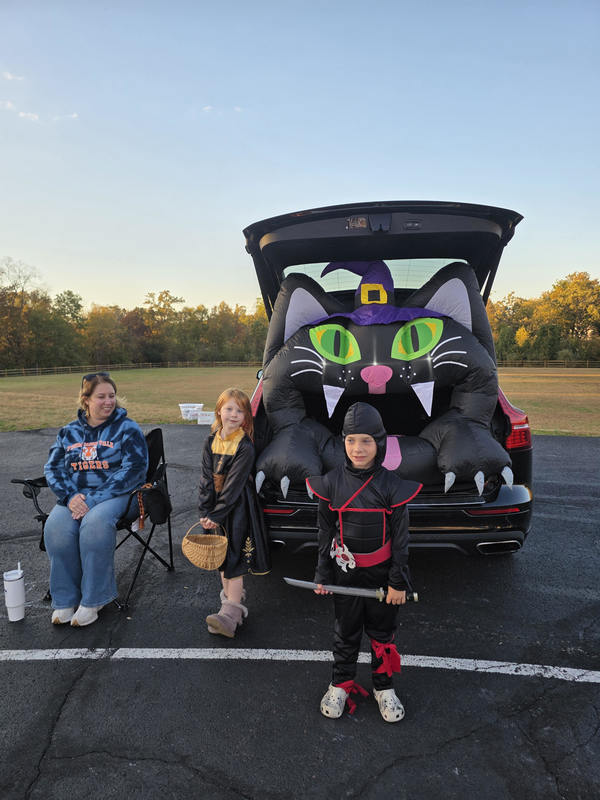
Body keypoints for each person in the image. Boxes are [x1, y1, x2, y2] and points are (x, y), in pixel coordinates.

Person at [307, 402, 422, 722]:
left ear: (380, 443)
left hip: (384, 576)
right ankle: (341, 683)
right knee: (345, 633)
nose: (358, 448)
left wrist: (398, 582)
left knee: (383, 633)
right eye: (351, 440)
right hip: (345, 576)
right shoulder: (331, 483)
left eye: (367, 441)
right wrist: (322, 572)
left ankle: (383, 687)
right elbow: (325, 531)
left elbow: (401, 540)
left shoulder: (391, 485)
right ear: (343, 442)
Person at [43, 372, 148, 627]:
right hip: (75, 497)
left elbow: (134, 470)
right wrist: (70, 497)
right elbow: (53, 468)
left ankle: (95, 599)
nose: (108, 401)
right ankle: (66, 598)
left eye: (111, 396)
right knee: (56, 528)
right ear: (86, 399)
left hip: (119, 495)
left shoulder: (128, 428)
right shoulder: (68, 432)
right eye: (101, 396)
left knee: (95, 523)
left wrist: (94, 499)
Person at [198, 387, 270, 638]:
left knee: (235, 558)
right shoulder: (211, 440)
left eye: (239, 411)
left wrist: (217, 513)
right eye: (228, 408)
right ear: (219, 410)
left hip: (238, 507)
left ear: (246, 417)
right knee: (220, 555)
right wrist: (205, 509)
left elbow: (234, 484)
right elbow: (207, 478)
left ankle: (231, 614)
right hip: (217, 508)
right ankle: (228, 604)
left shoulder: (245, 446)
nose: (233, 414)